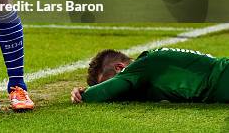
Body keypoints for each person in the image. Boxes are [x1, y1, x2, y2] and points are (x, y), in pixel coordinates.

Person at [71, 48, 229, 104]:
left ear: (120, 68)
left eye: (109, 82)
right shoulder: (149, 70)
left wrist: (82, 95)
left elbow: (103, 93)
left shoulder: (141, 66)